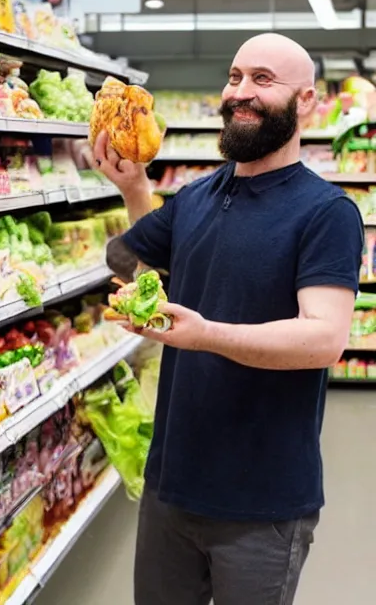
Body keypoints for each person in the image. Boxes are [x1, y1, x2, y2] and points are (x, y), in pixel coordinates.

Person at [93, 33, 364, 605]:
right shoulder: (194, 197)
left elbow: (324, 338)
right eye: (236, 76)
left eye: (263, 80)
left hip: (260, 498)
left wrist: (206, 335)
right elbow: (135, 261)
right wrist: (135, 187)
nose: (241, 92)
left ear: (307, 101)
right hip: (172, 483)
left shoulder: (326, 212)